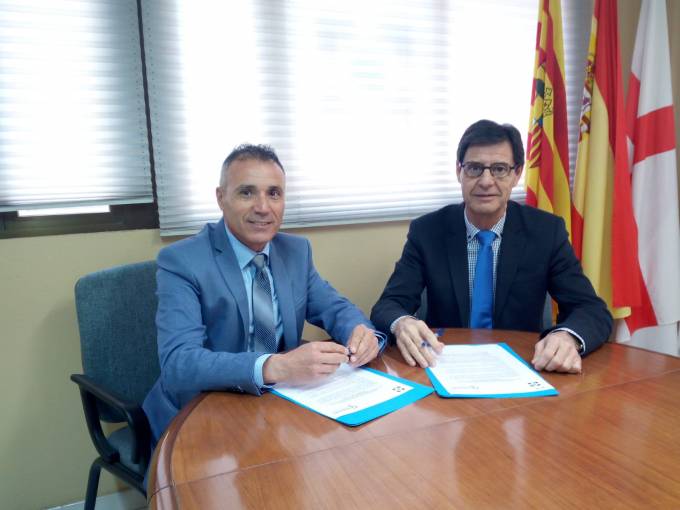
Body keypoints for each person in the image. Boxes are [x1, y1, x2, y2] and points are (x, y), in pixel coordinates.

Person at [143, 144, 383, 443]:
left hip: (277, 405)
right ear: (221, 197)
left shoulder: (296, 251)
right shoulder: (182, 261)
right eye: (246, 193)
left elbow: (335, 308)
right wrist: (275, 366)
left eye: (274, 193)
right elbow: (179, 363)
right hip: (203, 409)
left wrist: (361, 333)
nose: (263, 207)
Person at [370, 119, 611, 373]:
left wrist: (567, 337)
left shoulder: (546, 232)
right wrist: (402, 323)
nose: (486, 181)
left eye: (499, 169)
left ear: (517, 174)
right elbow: (388, 305)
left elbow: (591, 309)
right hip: (445, 365)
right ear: (459, 171)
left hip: (523, 366)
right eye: (474, 168)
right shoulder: (428, 231)